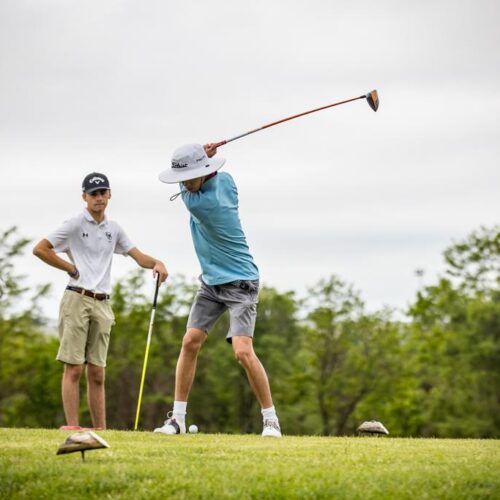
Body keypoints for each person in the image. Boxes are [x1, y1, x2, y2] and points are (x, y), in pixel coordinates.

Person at [154, 143, 281, 437]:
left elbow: (192, 191)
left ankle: (271, 420)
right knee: (190, 342)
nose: (184, 184)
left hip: (240, 282)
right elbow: (208, 174)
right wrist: (203, 159)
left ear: (203, 172)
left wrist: (203, 156)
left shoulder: (201, 203)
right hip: (211, 282)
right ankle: (178, 420)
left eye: (188, 177)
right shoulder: (227, 181)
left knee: (242, 352)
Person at [33, 172, 168, 430]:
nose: (99, 198)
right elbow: (41, 249)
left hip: (103, 303)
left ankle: (100, 429)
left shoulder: (114, 229)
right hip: (77, 298)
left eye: (103, 192)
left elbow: (139, 258)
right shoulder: (74, 223)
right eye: (93, 194)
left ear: (109, 195)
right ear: (84, 197)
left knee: (97, 372)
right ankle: (73, 426)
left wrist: (158, 263)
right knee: (73, 368)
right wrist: (69, 267)